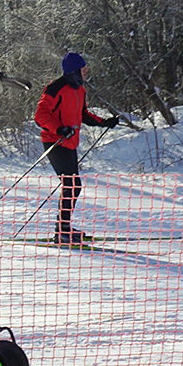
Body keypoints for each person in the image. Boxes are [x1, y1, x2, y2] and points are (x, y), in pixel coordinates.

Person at [34, 51, 119, 244]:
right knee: (72, 184)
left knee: (72, 185)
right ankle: (62, 231)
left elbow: (83, 114)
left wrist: (105, 122)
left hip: (70, 142)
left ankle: (63, 228)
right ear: (73, 71)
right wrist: (59, 129)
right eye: (83, 69)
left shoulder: (79, 90)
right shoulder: (55, 88)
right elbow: (40, 115)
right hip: (54, 141)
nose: (86, 72)